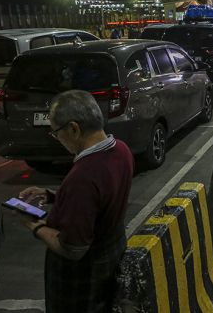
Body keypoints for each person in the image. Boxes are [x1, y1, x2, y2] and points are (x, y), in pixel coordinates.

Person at [16, 90, 134, 311]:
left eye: (56, 132)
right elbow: (101, 197)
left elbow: (73, 248)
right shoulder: (121, 149)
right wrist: (53, 195)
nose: (57, 139)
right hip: (110, 257)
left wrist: (34, 225)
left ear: (73, 128)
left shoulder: (83, 176)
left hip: (82, 280)